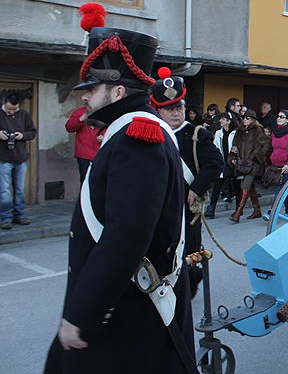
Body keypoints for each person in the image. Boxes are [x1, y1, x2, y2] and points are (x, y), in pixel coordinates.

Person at [44, 21, 195, 372]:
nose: (84, 96)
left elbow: (126, 238)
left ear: (116, 93)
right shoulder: (126, 134)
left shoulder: (135, 139)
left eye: (92, 89)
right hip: (124, 307)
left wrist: (81, 313)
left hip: (128, 314)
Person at [151, 68, 223, 297]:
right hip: (163, 204)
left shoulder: (197, 134)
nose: (175, 113)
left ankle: (189, 286)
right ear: (158, 110)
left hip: (187, 204)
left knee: (189, 248)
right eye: (169, 109)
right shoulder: (153, 134)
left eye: (179, 107)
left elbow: (215, 163)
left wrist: (197, 188)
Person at [0, 92, 37, 229]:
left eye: (15, 109)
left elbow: (32, 132)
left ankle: (19, 215)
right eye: (10, 109)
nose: (12, 111)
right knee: (4, 190)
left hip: (20, 158)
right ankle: (5, 218)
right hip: (3, 158)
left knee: (20, 190)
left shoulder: (24, 114)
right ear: (5, 102)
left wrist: (22, 135)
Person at [228, 110, 271, 223]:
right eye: (244, 117)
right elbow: (235, 146)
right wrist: (232, 157)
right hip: (243, 164)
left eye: (248, 118)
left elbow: (267, 144)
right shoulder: (240, 131)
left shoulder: (258, 130)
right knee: (250, 186)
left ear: (253, 119)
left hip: (254, 163)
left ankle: (238, 212)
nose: (245, 119)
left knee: (245, 185)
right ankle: (257, 210)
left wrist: (258, 156)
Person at [267, 110, 288, 217]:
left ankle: (272, 212)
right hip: (277, 165)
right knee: (284, 188)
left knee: (281, 187)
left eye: (282, 117)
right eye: (278, 116)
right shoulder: (274, 132)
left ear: (287, 120)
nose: (278, 118)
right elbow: (273, 148)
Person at [207, 113, 238, 218]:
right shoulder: (218, 133)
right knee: (217, 183)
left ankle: (239, 209)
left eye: (223, 119)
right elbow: (216, 147)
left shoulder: (236, 133)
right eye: (221, 119)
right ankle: (211, 208)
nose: (221, 121)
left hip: (234, 162)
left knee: (237, 185)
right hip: (223, 163)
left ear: (229, 121)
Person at [64, 106, 103, 186]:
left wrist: (104, 135)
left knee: (101, 180)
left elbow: (112, 125)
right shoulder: (80, 112)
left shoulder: (106, 110)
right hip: (84, 154)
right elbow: (69, 128)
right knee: (85, 181)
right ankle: (83, 198)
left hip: (102, 152)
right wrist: (80, 119)